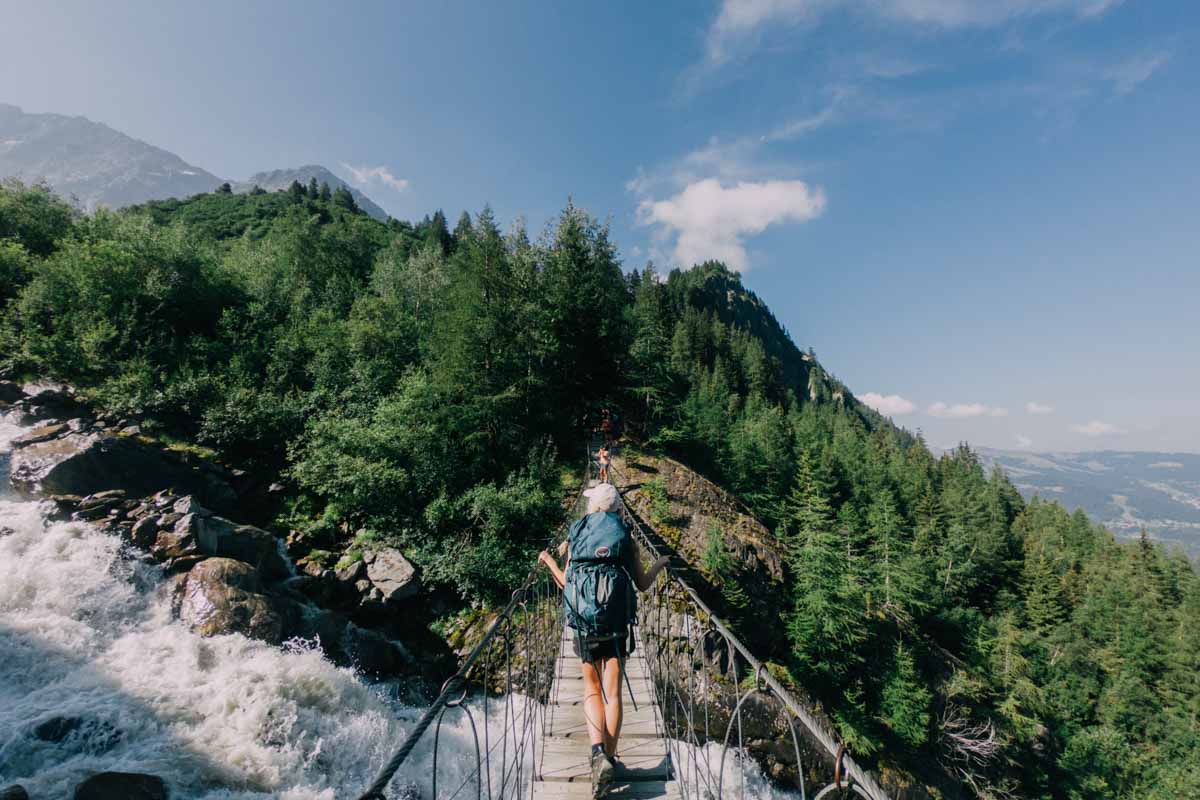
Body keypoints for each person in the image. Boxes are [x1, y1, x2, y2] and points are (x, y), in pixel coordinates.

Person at [538, 483, 669, 797]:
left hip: (584, 622)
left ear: (594, 507)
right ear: (616, 509)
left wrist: (549, 562)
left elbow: (567, 583)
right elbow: (642, 583)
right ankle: (610, 758)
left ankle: (597, 753)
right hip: (616, 623)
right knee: (613, 692)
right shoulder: (625, 535)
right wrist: (661, 565)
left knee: (591, 688)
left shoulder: (578, 532)